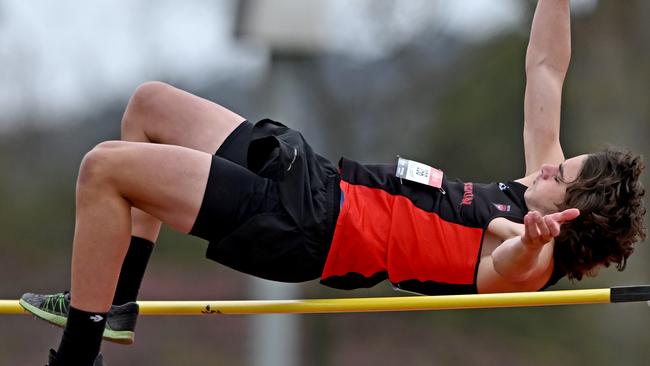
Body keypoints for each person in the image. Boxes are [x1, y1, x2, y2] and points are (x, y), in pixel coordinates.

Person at [19, 0, 645, 365]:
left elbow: (511, 253)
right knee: (149, 109)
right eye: (559, 160)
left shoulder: (526, 257)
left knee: (104, 169)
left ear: (572, 216)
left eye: (560, 174)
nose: (548, 164)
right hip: (314, 178)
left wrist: (533, 239)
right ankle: (114, 306)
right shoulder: (528, 189)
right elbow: (546, 67)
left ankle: (79, 353)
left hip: (308, 229)